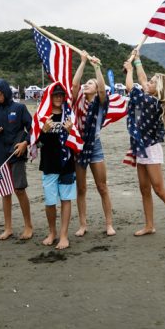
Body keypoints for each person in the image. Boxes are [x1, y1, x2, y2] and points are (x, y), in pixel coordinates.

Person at [123, 49, 165, 243]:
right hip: (141, 147)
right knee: (144, 189)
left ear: (158, 89)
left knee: (160, 190)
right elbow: (143, 80)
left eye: (152, 82)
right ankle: (149, 225)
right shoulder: (151, 97)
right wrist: (137, 62)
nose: (148, 83)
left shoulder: (152, 102)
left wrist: (129, 70)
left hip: (151, 149)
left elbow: (130, 88)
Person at [72, 51, 116, 237]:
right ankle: (83, 224)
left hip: (95, 146)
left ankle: (109, 224)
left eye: (90, 83)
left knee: (102, 187)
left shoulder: (100, 103)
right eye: (86, 83)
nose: (85, 85)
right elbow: (75, 84)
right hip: (78, 145)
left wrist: (96, 67)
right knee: (81, 188)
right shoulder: (78, 100)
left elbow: (102, 91)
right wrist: (82, 62)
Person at [0, 79, 33, 240]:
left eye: (0, 94)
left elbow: (32, 129)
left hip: (17, 153)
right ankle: (8, 228)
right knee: (5, 191)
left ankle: (28, 226)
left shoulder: (19, 108)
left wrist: (25, 143)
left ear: (6, 92)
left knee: (19, 189)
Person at [36, 83, 78, 249]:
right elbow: (37, 144)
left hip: (67, 163)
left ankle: (63, 235)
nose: (59, 98)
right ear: (49, 97)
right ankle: (52, 232)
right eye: (55, 95)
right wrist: (44, 132)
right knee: (50, 201)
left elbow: (76, 141)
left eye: (61, 95)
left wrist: (70, 131)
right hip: (49, 164)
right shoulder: (42, 116)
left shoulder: (69, 116)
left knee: (66, 199)